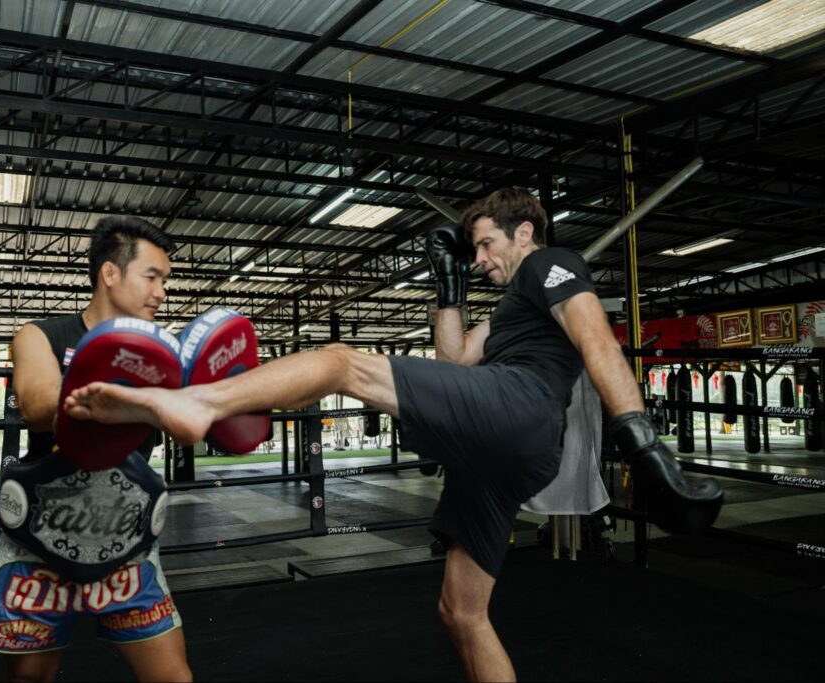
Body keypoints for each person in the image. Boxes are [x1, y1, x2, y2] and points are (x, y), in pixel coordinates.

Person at [61, 188, 723, 682]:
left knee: (342, 363)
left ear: (525, 231)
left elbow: (595, 338)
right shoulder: (512, 307)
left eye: (488, 243)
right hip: (507, 450)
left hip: (519, 409)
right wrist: (448, 285)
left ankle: (193, 405)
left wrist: (641, 439)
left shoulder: (551, 261)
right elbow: (457, 361)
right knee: (462, 613)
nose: (483, 258)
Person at [0, 216, 192, 683]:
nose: (162, 292)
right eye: (152, 277)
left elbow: (197, 424)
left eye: (165, 281)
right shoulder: (40, 336)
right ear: (110, 274)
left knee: (172, 678)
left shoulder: (164, 354)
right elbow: (36, 406)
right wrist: (132, 389)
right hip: (40, 540)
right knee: (31, 678)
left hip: (126, 538)